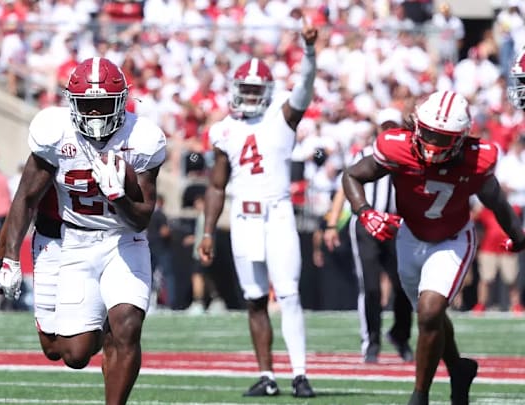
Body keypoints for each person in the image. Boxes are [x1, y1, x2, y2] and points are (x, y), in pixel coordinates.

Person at [0, 57, 167, 405]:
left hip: (123, 239)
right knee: (71, 353)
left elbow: (142, 218)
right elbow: (26, 196)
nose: (97, 114)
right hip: (73, 239)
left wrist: (119, 198)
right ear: (72, 103)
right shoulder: (56, 133)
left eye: (104, 105)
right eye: (89, 105)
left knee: (126, 326)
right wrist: (6, 256)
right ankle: (93, 322)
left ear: (122, 102)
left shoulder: (142, 138)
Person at [341, 90, 525, 405]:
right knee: (431, 316)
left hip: (453, 239)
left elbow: (494, 199)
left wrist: (517, 234)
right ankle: (458, 369)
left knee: (429, 312)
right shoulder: (398, 147)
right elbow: (353, 175)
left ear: (460, 138)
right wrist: (365, 212)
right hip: (410, 237)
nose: (430, 143)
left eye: (441, 138)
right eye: (426, 132)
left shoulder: (475, 157)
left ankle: (420, 396)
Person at [198, 21, 318, 398]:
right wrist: (206, 231)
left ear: (266, 92)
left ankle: (300, 374)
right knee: (253, 299)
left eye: (255, 89)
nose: (249, 95)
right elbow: (217, 185)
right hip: (243, 218)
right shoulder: (223, 130)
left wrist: (310, 52)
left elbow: (305, 87)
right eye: (244, 89)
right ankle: (267, 376)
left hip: (278, 213)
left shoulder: (281, 118)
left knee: (288, 293)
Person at [323, 108, 413, 364]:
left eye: (392, 126)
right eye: (384, 126)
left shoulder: (408, 156)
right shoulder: (365, 154)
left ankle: (400, 335)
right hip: (366, 225)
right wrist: (332, 223)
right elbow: (346, 184)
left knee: (404, 286)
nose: (388, 131)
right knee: (371, 287)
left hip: (396, 225)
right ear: (377, 128)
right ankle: (371, 342)